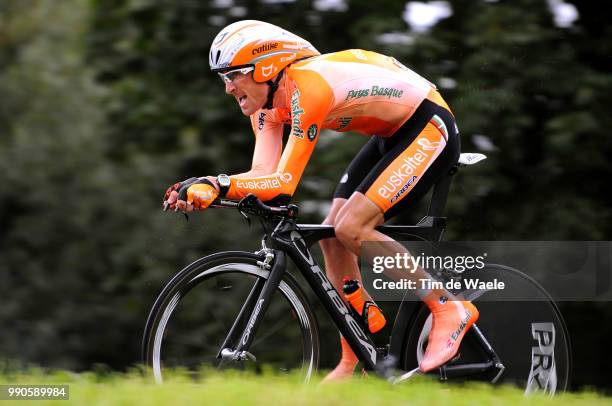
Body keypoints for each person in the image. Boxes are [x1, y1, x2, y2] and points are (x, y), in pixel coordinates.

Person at [163, 20, 479, 381]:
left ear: (266, 68)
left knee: (352, 228)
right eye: (223, 78)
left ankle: (448, 307)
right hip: (389, 134)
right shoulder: (266, 107)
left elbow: (281, 185)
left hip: (428, 126)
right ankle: (356, 351)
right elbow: (260, 174)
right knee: (333, 237)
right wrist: (206, 189)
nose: (228, 87)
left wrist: (215, 184)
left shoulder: (307, 87)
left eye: (234, 74)